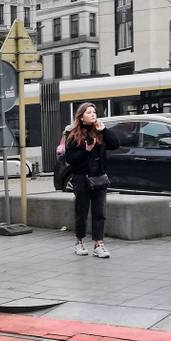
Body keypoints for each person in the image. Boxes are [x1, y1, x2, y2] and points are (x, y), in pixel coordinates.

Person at [62, 103, 119, 259]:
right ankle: (79, 241)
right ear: (81, 116)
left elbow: (115, 144)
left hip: (99, 177)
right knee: (81, 212)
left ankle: (98, 244)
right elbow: (70, 159)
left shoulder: (99, 131)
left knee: (99, 212)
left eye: (94, 112)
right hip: (81, 178)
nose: (93, 114)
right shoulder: (73, 134)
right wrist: (85, 151)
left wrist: (104, 130)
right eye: (89, 112)